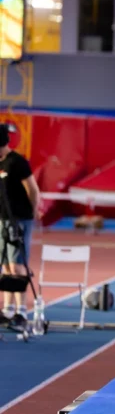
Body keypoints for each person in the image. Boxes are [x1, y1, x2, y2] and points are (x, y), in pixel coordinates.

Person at [0, 124, 39, 328]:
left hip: (19, 219)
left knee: (17, 264)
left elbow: (33, 190)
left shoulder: (17, 162)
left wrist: (32, 211)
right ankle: (8, 309)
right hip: (2, 220)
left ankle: (21, 310)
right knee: (6, 265)